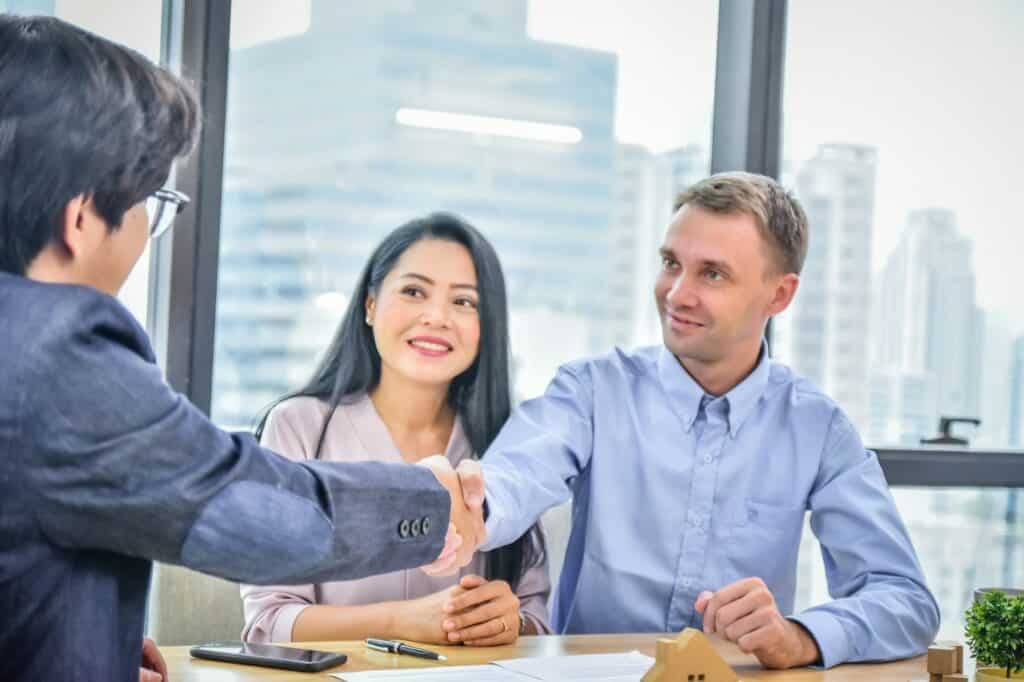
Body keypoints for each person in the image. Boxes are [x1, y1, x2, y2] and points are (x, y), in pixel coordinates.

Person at [0, 15, 481, 681]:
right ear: (81, 217)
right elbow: (247, 511)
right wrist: (429, 503)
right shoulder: (57, 348)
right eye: (150, 202)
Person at [446, 172, 940, 669]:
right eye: (670, 264)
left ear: (780, 296)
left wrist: (800, 637)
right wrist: (472, 506)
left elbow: (905, 599)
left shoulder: (817, 428)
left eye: (713, 274)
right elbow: (515, 475)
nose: (677, 293)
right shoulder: (593, 390)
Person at [241, 214, 551, 646]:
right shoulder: (298, 426)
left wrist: (507, 621)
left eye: (464, 302)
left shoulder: (505, 445)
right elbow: (267, 621)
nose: (437, 317)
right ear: (370, 305)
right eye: (413, 291)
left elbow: (538, 620)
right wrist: (398, 621)